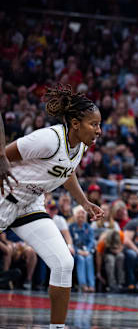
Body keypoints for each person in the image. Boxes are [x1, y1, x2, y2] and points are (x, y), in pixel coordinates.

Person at [0, 86, 104, 329]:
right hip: (5, 197)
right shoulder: (49, 138)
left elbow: (67, 172)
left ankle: (57, 327)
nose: (99, 130)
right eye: (94, 124)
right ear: (76, 123)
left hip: (30, 204)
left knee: (63, 263)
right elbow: (4, 155)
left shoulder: (81, 145)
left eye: (99, 125)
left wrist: (85, 202)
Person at [69, 205, 96, 292]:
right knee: (81, 259)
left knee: (89, 258)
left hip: (86, 252)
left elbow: (91, 241)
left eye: (83, 213)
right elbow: (70, 242)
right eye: (78, 213)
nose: (81, 216)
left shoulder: (88, 227)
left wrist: (87, 251)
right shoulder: (71, 227)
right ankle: (83, 284)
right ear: (74, 216)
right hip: (76, 253)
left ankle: (91, 285)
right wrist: (78, 251)